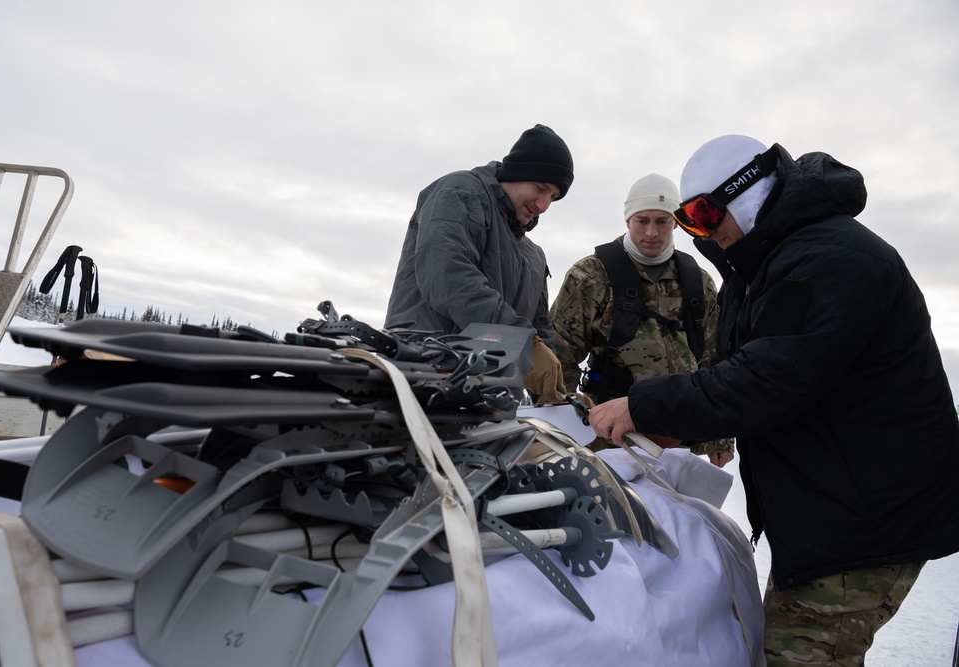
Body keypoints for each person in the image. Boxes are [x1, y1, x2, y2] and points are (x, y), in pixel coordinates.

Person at [587, 134, 959, 665]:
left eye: (703, 214)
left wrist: (642, 405)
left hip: (868, 523)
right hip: (834, 511)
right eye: (689, 221)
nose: (701, 231)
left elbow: (767, 380)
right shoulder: (765, 263)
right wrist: (681, 427)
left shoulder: (829, 259)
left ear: (747, 193)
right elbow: (742, 370)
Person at [550, 173, 734, 467]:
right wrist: (568, 427)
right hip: (610, 439)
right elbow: (558, 357)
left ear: (675, 222)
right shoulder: (590, 276)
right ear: (627, 221)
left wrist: (721, 436)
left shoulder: (698, 280)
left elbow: (717, 359)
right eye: (642, 220)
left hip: (685, 437)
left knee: (686, 514)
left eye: (662, 221)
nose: (652, 232)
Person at [384, 124, 574, 403]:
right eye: (541, 188)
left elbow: (540, 328)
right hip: (423, 378)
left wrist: (555, 394)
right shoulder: (458, 193)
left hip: (491, 400)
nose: (544, 205)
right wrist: (522, 344)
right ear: (517, 173)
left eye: (553, 198)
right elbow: (449, 277)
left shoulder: (534, 256)